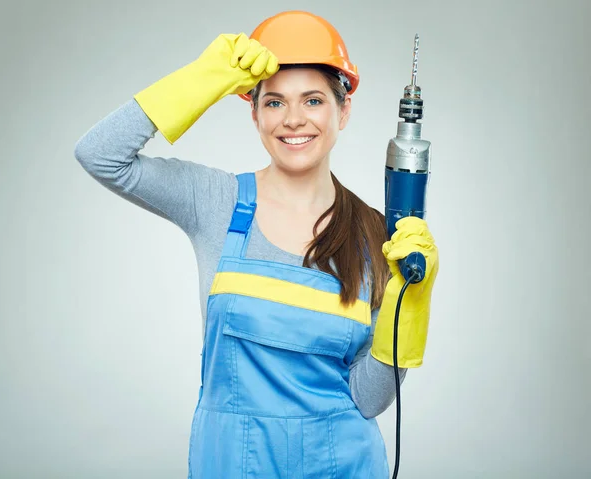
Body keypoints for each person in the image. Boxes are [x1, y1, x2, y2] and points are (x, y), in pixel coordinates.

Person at [74, 10, 439, 479]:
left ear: (342, 111)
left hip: (343, 465)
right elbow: (100, 154)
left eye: (312, 100)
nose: (292, 120)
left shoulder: (377, 234)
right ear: (252, 112)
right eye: (273, 103)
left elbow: (369, 399)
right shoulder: (216, 202)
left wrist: (408, 308)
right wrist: (203, 79)